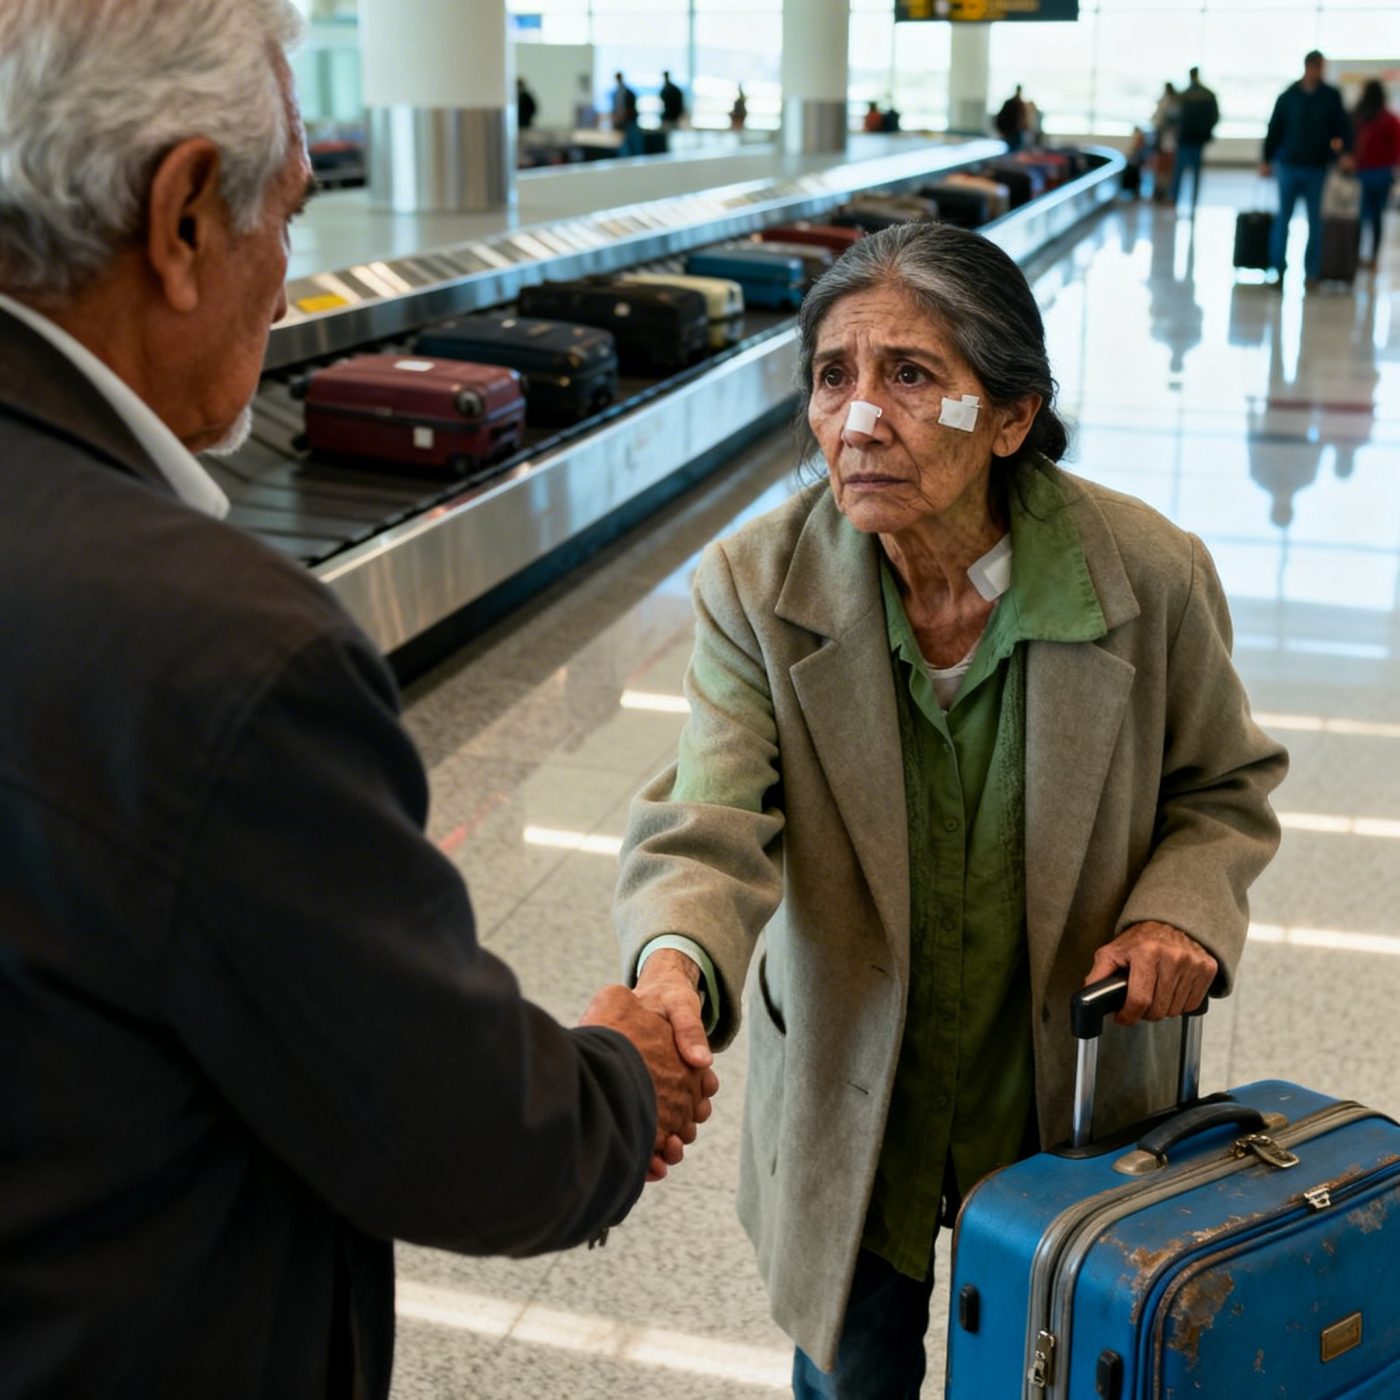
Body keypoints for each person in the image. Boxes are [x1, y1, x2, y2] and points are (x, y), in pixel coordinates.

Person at [0, 3, 716, 1396]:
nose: (287, 284)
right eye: (281, 215)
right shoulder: (216, 651)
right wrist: (622, 1077)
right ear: (182, 216)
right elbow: (464, 1139)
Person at [613, 221, 1286, 1393]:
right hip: (849, 1088)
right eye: (833, 377)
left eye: (909, 377)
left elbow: (1220, 787)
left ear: (1010, 418)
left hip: (1062, 1090)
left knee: (1056, 1364)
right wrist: (673, 963)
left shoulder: (1147, 574)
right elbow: (706, 819)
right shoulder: (754, 588)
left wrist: (1180, 913)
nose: (857, 418)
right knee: (850, 1364)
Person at [1261, 50, 1353, 288]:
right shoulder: (1289, 96)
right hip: (1289, 166)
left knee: (1315, 222)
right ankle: (1278, 270)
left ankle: (1311, 272)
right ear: (1308, 67)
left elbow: (1343, 128)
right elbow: (1275, 128)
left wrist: (1344, 153)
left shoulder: (1330, 96)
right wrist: (1266, 159)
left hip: (1316, 168)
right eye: (1317, 67)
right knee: (1284, 219)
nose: (1319, 72)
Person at [1352, 79, 1400, 269]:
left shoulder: (1361, 118)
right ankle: (1371, 257)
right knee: (1375, 216)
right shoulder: (1387, 118)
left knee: (1362, 216)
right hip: (1380, 173)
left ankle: (1356, 255)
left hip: (1364, 172)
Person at [1171, 67, 1219, 212]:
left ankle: (1174, 197)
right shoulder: (1208, 94)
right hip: (1198, 138)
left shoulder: (1184, 95)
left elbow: (1174, 116)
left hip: (1185, 138)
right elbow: (1215, 116)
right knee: (1195, 171)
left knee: (1179, 170)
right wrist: (1206, 131)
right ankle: (1194, 198)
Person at [1150, 81, 1180, 202]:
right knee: (1163, 168)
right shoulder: (1170, 102)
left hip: (1168, 140)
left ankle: (1164, 192)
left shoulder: (1171, 103)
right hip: (1165, 141)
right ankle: (1161, 192)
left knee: (1166, 168)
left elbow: (1159, 120)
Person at [995, 84, 1026, 149]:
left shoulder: (1021, 104)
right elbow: (1000, 118)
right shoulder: (1010, 103)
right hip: (1010, 133)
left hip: (1018, 133)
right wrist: (1003, 131)